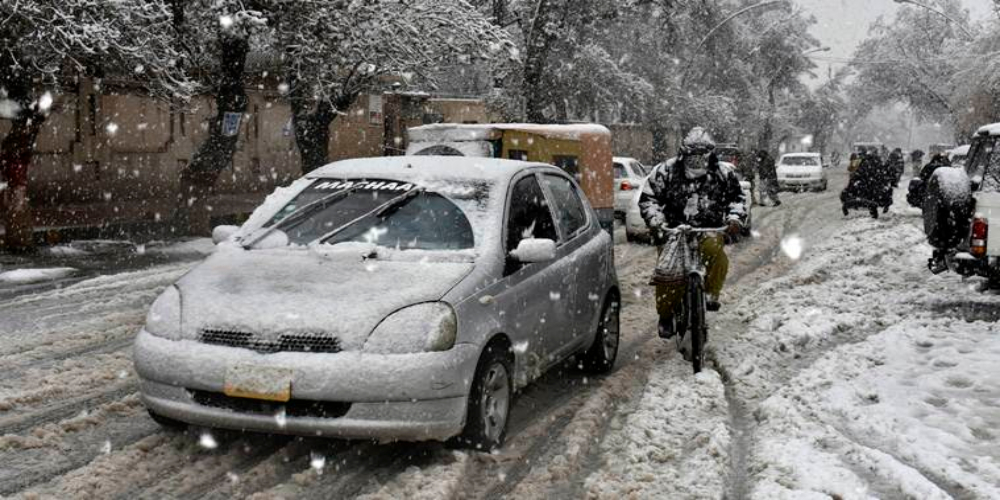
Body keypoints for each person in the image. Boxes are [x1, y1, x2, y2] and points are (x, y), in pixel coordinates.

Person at [639, 127, 747, 345]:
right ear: (683, 154)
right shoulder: (665, 171)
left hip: (709, 228)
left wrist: (734, 219)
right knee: (668, 272)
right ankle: (666, 315)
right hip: (673, 230)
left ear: (710, 155)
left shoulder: (723, 173)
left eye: (702, 156)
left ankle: (710, 295)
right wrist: (657, 223)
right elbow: (649, 199)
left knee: (715, 254)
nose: (697, 161)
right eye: (692, 156)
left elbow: (737, 199)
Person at [841, 150, 895, 218]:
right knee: (881, 194)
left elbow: (854, 173)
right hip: (873, 189)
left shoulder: (861, 163)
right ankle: (880, 208)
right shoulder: (878, 166)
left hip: (865, 189)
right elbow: (884, 177)